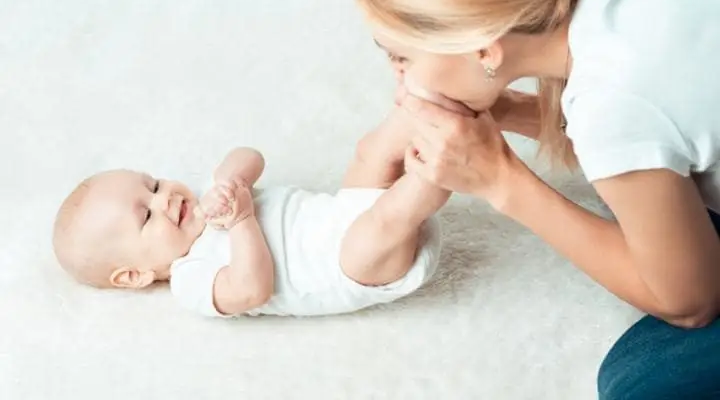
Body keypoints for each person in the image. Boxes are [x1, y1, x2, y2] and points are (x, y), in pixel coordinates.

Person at [348, 0, 720, 398]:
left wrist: (502, 180)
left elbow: (690, 302)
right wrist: (508, 111)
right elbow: (662, 127)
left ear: (485, 50)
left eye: (401, 58)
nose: (398, 77)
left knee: (644, 378)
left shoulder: (612, 105)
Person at [51, 109, 448, 317]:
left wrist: (230, 179)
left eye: (153, 185)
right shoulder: (191, 281)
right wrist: (242, 222)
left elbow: (251, 157)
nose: (164, 198)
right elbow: (251, 289)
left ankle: (438, 108)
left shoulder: (204, 198)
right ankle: (454, 159)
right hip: (350, 267)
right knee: (386, 220)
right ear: (134, 275)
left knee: (371, 151)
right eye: (147, 217)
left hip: (344, 209)